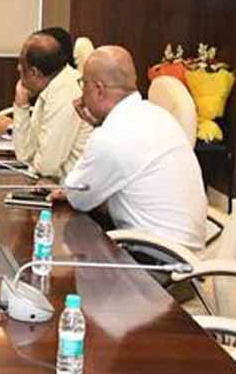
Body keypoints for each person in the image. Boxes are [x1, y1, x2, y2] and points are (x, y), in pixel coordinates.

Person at [50, 46, 207, 250]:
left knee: (65, 249)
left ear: (98, 89)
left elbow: (78, 198)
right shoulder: (158, 115)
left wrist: (97, 130)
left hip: (156, 259)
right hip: (183, 253)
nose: (81, 94)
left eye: (83, 84)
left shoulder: (112, 135)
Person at [0, 30, 91, 179]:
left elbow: (46, 166)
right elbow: (24, 154)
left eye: (21, 66)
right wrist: (21, 105)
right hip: (49, 182)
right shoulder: (51, 87)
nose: (18, 69)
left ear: (34, 72)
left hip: (66, 188)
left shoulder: (66, 92)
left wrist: (33, 163)